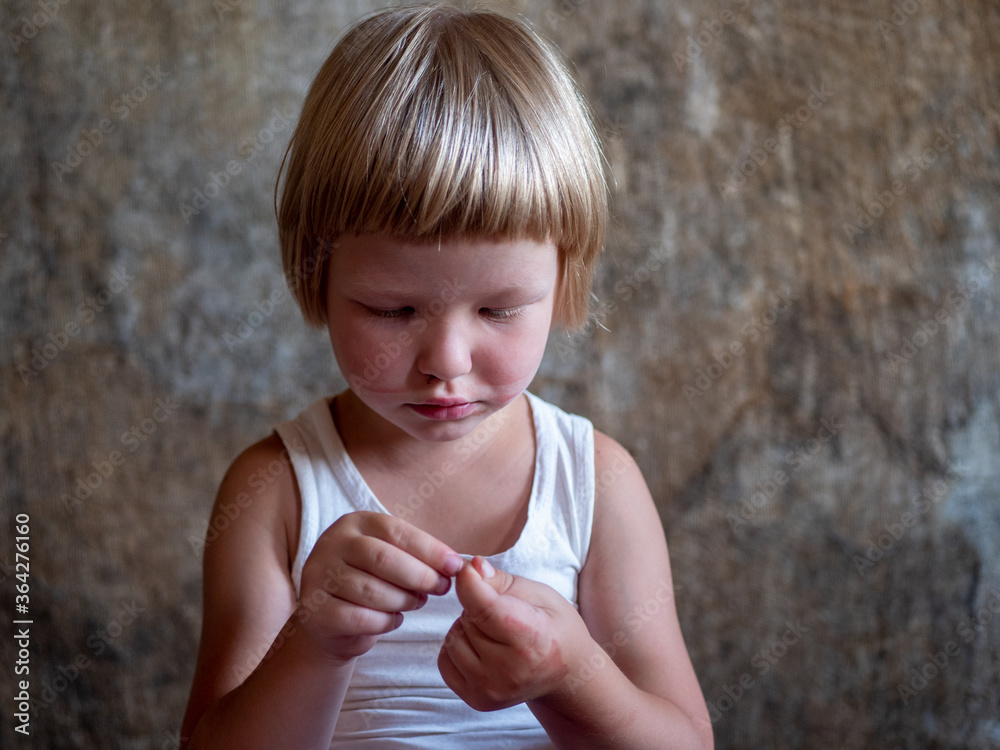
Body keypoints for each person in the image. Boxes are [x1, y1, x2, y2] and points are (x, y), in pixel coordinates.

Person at [180, 3, 712, 748]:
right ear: (316, 278)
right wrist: (314, 643)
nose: (446, 362)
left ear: (563, 280)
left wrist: (571, 675)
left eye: (499, 310)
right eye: (392, 310)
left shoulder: (594, 484)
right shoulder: (277, 491)